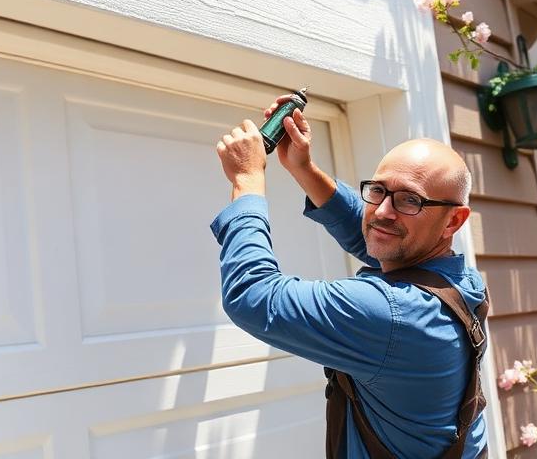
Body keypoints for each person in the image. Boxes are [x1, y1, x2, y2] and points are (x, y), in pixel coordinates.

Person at [210, 97, 489, 459]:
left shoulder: (392, 313)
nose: (383, 211)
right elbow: (376, 238)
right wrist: (304, 169)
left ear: (453, 221)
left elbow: (253, 298)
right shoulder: (460, 278)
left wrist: (247, 180)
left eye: (409, 200)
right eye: (378, 191)